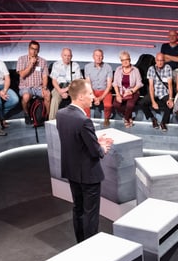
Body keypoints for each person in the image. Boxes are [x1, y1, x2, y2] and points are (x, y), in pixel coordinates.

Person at [56, 79, 113, 243]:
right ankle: (91, 248)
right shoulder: (84, 120)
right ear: (80, 97)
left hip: (72, 171)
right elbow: (95, 152)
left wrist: (94, 138)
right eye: (89, 93)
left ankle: (80, 244)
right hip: (88, 175)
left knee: (78, 209)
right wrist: (102, 148)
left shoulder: (61, 114)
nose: (92, 96)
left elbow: (74, 140)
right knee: (91, 214)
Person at [16, 40, 50, 124]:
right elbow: (22, 75)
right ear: (28, 49)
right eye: (32, 49)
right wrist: (31, 64)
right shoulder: (22, 59)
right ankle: (26, 114)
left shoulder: (43, 61)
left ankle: (47, 117)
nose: (34, 51)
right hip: (26, 87)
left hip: (38, 87)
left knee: (47, 94)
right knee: (26, 97)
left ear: (38, 50)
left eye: (36, 49)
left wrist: (44, 87)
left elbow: (45, 76)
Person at [140, 52, 173, 131]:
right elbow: (151, 86)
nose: (160, 62)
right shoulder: (151, 69)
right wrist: (153, 101)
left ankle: (163, 123)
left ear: (164, 61)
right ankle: (152, 118)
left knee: (170, 104)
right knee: (142, 103)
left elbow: (170, 85)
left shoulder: (167, 68)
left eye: (161, 60)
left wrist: (171, 98)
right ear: (155, 60)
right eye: (158, 60)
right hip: (154, 92)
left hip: (164, 92)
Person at [49, 47, 83, 120]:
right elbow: (54, 80)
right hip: (59, 87)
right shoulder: (56, 64)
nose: (67, 57)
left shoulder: (75, 65)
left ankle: (78, 121)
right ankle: (51, 121)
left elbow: (77, 82)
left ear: (71, 56)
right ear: (61, 55)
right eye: (65, 55)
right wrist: (60, 91)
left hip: (72, 87)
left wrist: (67, 90)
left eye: (69, 56)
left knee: (79, 97)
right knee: (55, 98)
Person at [112, 50, 143, 128]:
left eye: (127, 59)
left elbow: (139, 83)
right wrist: (118, 95)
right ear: (121, 61)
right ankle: (129, 117)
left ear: (130, 60)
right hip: (121, 91)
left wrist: (131, 91)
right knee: (116, 104)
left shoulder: (135, 70)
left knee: (130, 105)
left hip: (133, 91)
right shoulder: (118, 70)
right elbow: (115, 83)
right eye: (123, 60)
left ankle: (126, 119)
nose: (125, 62)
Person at [84, 48, 113, 127]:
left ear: (103, 57)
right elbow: (88, 84)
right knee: (86, 102)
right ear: (93, 57)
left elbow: (109, 85)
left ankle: (107, 118)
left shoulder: (108, 67)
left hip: (104, 90)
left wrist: (100, 98)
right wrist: (93, 96)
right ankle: (87, 119)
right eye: (97, 56)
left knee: (108, 105)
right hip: (91, 90)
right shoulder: (87, 67)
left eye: (100, 56)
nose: (99, 57)